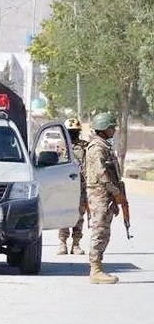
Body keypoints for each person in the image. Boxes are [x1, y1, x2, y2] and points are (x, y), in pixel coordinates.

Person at [85, 112, 126, 284]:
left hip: (105, 194)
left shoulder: (104, 146)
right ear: (103, 129)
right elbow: (102, 174)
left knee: (104, 232)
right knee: (99, 231)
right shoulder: (97, 148)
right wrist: (115, 192)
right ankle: (95, 270)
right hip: (99, 194)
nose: (114, 130)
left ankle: (98, 267)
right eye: (111, 127)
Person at [57, 117, 88, 255]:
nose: (72, 134)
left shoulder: (85, 147)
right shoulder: (61, 147)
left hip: (80, 186)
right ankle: (62, 243)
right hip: (65, 187)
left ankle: (76, 244)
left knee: (79, 216)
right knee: (64, 215)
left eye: (75, 131)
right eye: (70, 132)